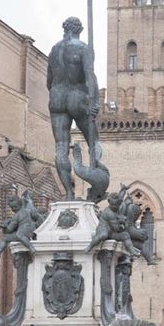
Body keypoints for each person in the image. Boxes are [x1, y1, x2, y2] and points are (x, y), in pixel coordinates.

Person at [47, 16, 107, 200]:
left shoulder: (54, 50)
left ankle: (69, 194)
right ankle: (96, 185)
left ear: (64, 29)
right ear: (80, 30)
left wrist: (58, 93)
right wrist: (95, 102)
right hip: (77, 96)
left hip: (57, 97)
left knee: (61, 147)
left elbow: (49, 81)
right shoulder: (83, 48)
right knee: (93, 141)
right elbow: (90, 76)